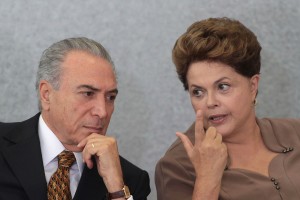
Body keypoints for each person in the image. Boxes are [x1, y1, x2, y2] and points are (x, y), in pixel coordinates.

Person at [155, 17, 300, 200]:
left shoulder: (295, 132)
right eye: (198, 92)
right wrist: (207, 179)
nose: (210, 102)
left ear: (253, 86)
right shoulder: (177, 167)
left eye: (223, 87)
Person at [0, 37, 150, 200]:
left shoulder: (129, 180)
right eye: (88, 94)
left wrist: (117, 189)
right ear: (46, 94)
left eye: (110, 97)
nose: (102, 112)